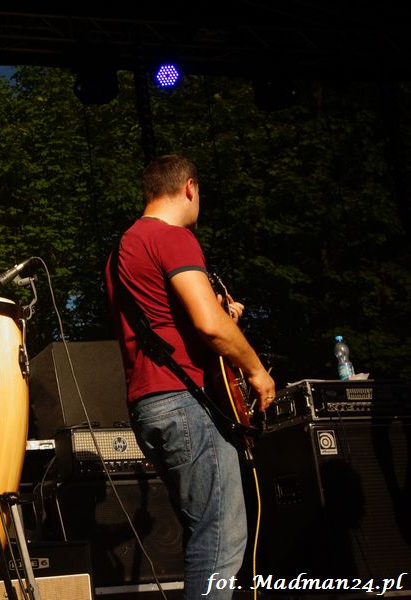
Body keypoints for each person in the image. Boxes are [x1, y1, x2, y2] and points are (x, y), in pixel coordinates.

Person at [104, 154, 276, 599]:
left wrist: (223, 315)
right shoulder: (173, 237)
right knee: (222, 540)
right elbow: (209, 326)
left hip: (148, 404)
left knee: (203, 537)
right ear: (189, 188)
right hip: (185, 402)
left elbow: (164, 323)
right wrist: (256, 371)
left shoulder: (121, 252)